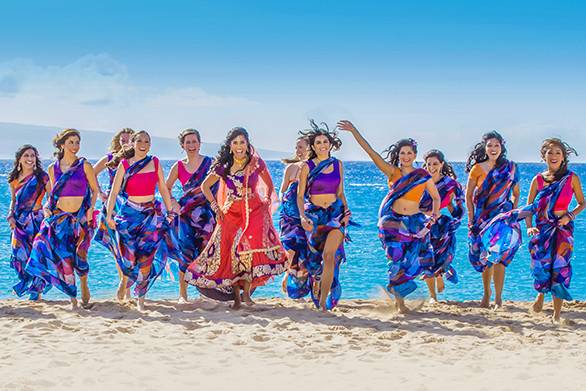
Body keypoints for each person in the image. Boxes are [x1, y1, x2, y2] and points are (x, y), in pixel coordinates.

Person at [338, 120, 440, 313]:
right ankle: (400, 305)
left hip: (415, 223)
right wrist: (355, 131)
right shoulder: (392, 172)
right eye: (402, 153)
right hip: (392, 223)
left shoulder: (422, 175)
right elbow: (371, 152)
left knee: (412, 261)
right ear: (398, 155)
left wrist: (434, 215)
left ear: (415, 155)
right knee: (395, 260)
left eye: (410, 153)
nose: (406, 156)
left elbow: (435, 197)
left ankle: (397, 292)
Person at [481, 139, 584, 322]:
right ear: (543, 156)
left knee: (559, 269)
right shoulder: (537, 180)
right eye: (550, 153)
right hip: (542, 230)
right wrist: (529, 227)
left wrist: (571, 215)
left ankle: (557, 315)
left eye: (557, 153)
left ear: (563, 157)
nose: (553, 156)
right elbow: (529, 207)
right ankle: (541, 294)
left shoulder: (571, 178)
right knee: (541, 267)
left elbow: (582, 203)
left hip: (563, 229)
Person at [185, 127, 288, 309]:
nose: (239, 146)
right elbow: (205, 186)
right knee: (231, 254)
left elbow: (269, 185)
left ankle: (246, 295)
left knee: (247, 253)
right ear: (230, 145)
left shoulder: (256, 163)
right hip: (230, 214)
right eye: (235, 142)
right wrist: (216, 208)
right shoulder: (224, 166)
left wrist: (265, 201)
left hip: (252, 213)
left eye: (242, 142)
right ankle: (237, 297)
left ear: (247, 144)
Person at [106, 130, 183, 311]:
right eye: (139, 140)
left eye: (147, 141)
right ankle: (125, 281)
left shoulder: (155, 162)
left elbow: (163, 189)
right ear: (133, 143)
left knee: (146, 257)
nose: (143, 144)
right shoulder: (124, 164)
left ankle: (141, 299)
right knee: (130, 256)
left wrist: (170, 212)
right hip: (129, 214)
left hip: (150, 214)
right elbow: (114, 192)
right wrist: (109, 215)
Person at [26, 129, 100, 309]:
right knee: (60, 255)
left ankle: (84, 284)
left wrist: (91, 208)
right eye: (71, 142)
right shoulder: (53, 168)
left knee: (80, 255)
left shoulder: (84, 165)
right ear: (61, 145)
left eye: (77, 142)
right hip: (59, 218)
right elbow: (52, 195)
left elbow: (95, 189)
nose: (75, 146)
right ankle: (72, 298)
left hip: (81, 218)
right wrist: (46, 207)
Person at [297, 120, 353, 311]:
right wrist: (302, 216)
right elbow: (300, 195)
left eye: (325, 141)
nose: (323, 145)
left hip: (335, 215)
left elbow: (340, 193)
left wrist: (346, 211)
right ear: (313, 146)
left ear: (331, 144)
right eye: (318, 142)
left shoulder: (338, 165)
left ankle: (323, 304)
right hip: (314, 216)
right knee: (314, 262)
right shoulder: (307, 166)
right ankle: (316, 283)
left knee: (329, 256)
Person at [465, 131, 520, 309]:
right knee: (485, 258)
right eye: (490, 145)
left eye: (496, 145)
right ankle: (486, 294)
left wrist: (512, 214)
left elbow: (516, 193)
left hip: (503, 219)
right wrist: (471, 218)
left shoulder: (511, 167)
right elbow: (468, 195)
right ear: (485, 147)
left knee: (500, 258)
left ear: (502, 147)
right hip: (483, 219)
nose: (493, 148)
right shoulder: (477, 168)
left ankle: (498, 298)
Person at [165, 129, 216, 302]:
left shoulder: (211, 163)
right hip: (185, 216)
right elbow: (166, 188)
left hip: (208, 216)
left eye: (194, 142)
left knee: (207, 252)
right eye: (188, 142)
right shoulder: (178, 166)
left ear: (200, 143)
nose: (191, 145)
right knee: (184, 253)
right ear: (182, 145)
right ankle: (182, 294)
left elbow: (223, 184)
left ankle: (208, 292)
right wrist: (173, 203)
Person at [93, 128, 134, 299]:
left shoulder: (136, 159)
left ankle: (124, 283)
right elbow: (91, 174)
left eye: (129, 140)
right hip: (112, 206)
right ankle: (125, 287)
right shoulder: (109, 159)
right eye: (123, 140)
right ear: (118, 142)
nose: (126, 143)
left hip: (131, 206)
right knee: (117, 247)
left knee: (130, 246)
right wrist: (100, 193)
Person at [7, 145, 51, 300]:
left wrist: (48, 211)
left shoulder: (42, 177)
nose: (30, 159)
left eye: (33, 155)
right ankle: (27, 283)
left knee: (37, 256)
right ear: (19, 158)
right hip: (19, 222)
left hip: (37, 221)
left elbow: (51, 198)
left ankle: (36, 292)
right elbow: (13, 200)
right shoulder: (14, 179)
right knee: (19, 256)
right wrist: (10, 215)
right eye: (26, 155)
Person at [420, 150, 465, 303]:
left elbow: (457, 208)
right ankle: (433, 296)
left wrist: (456, 221)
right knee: (425, 258)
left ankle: (439, 275)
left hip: (442, 225)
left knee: (442, 256)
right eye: (429, 164)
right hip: (423, 225)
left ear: (442, 164)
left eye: (435, 164)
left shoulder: (450, 184)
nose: (432, 167)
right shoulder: (420, 182)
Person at [278, 136, 311, 298]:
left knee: (303, 252)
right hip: (289, 216)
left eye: (301, 147)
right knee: (291, 248)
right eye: (296, 147)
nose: (298, 151)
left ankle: (290, 281)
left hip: (306, 214)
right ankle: (287, 279)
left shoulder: (313, 167)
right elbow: (282, 190)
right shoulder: (291, 168)